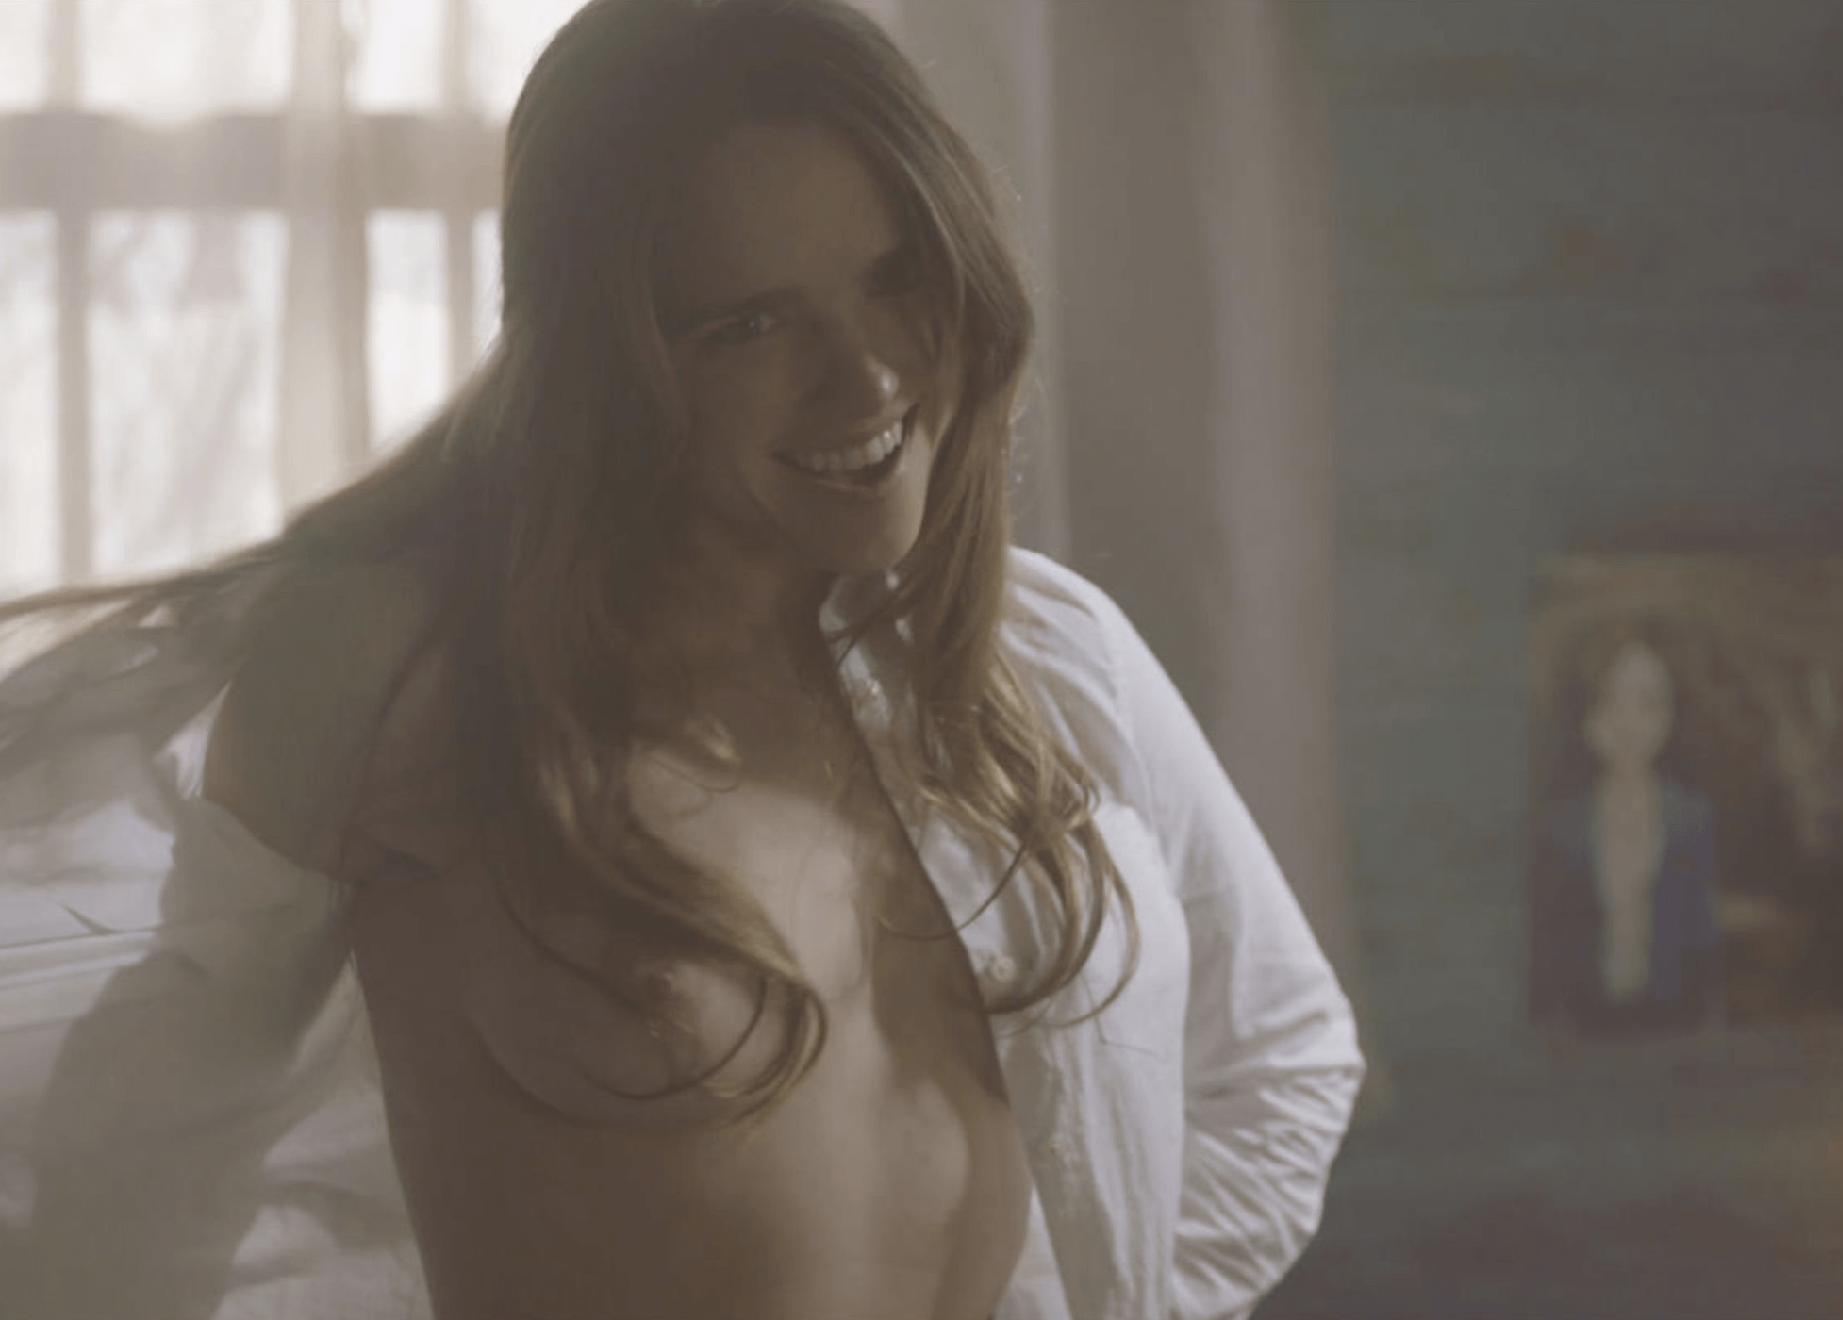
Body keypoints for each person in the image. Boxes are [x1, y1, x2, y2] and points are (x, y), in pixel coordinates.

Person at [0, 2, 1363, 1316]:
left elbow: (1282, 1056)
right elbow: (123, 1189)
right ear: (607, 361)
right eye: (751, 324)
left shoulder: (1041, 660)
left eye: (897, 277)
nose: (867, 379)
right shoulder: (407, 674)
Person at [1530, 628, 1722, 1037]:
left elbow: (1703, 941)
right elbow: (1549, 946)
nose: (1628, 723)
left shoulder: (1690, 819)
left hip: (1673, 1029)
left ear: (1670, 714)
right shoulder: (1561, 828)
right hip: (1583, 1032)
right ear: (1586, 715)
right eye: (1610, 701)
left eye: (1648, 703)